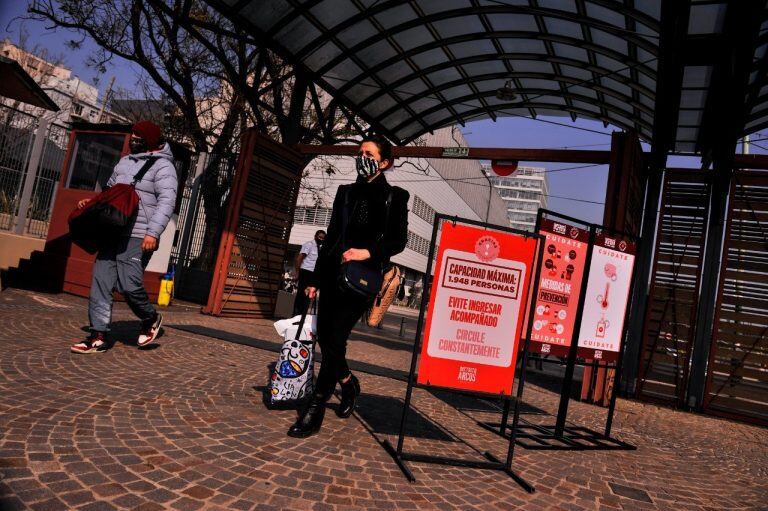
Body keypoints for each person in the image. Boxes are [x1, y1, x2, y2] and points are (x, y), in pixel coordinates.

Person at [288, 134, 409, 438]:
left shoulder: (395, 196)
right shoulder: (345, 192)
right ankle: (347, 382)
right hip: (332, 275)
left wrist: (368, 252)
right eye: (360, 152)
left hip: (361, 278)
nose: (362, 157)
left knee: (337, 337)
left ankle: (315, 408)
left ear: (384, 162)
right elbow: (331, 237)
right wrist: (314, 279)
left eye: (369, 153)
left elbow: (398, 241)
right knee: (326, 339)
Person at [70, 121, 178, 354]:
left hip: (139, 234)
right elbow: (110, 193)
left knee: (128, 285)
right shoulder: (124, 161)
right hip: (113, 229)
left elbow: (167, 202)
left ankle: (149, 318)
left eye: (138, 136)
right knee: (101, 281)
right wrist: (92, 203)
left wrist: (152, 233)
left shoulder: (164, 167)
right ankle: (98, 334)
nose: (133, 139)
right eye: (132, 135)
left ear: (149, 139)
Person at [292, 230, 326, 316]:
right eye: (320, 237)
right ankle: (296, 315)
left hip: (313, 274)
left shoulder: (321, 248)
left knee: (309, 295)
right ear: (315, 236)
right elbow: (299, 258)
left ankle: (302, 315)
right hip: (305, 272)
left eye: (323, 238)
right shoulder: (309, 244)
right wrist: (297, 272)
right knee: (301, 294)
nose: (321, 239)